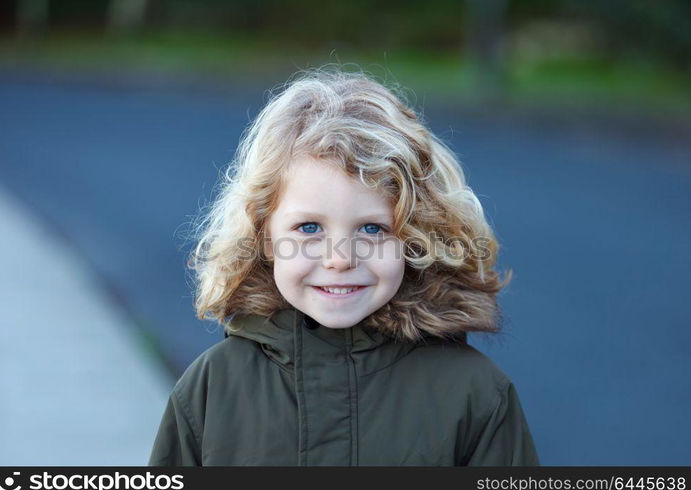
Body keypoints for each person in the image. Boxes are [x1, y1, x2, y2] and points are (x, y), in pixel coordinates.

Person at [148, 65, 540, 466]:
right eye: (309, 228)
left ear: (417, 237)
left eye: (372, 228)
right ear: (264, 238)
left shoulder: (475, 395)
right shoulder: (212, 389)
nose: (340, 258)